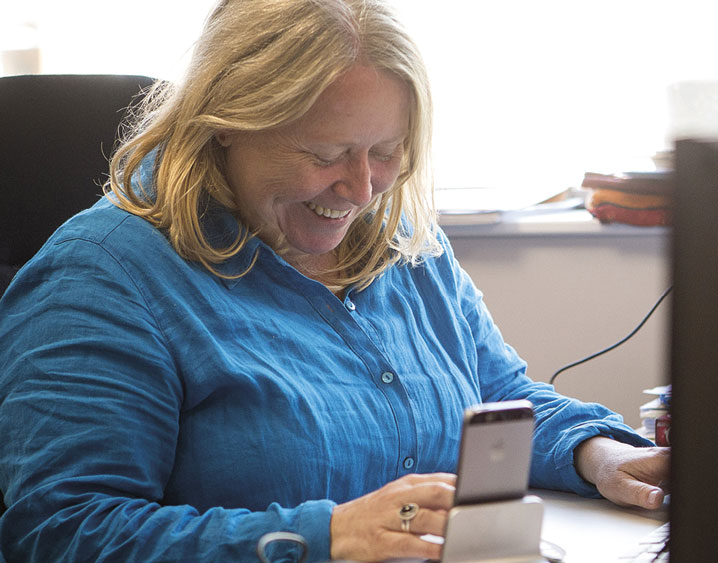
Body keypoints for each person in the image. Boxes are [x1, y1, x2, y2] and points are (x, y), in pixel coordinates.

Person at [0, 0, 669, 561]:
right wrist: (326, 537)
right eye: (324, 155)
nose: (359, 190)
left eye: (385, 153)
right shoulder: (104, 275)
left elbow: (496, 396)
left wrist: (597, 454)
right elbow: (60, 530)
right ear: (225, 124)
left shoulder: (405, 239)